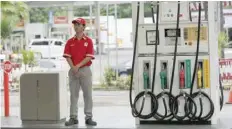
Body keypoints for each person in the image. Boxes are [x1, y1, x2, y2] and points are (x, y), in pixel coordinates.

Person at [63, 18, 97, 126]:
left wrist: (77, 66)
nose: (76, 26)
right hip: (73, 71)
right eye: (75, 25)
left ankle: (89, 117)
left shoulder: (89, 41)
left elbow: (89, 57)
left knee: (88, 95)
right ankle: (73, 117)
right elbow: (67, 56)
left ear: (83, 27)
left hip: (85, 70)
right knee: (73, 95)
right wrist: (73, 68)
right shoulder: (69, 42)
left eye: (78, 24)